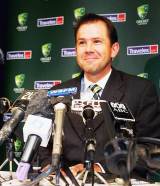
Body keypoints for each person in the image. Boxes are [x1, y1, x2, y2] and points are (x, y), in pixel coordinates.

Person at [41, 13, 160, 175]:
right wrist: (50, 166)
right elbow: (42, 145)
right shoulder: (56, 93)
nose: (88, 49)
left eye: (97, 42)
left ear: (114, 49)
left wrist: (100, 168)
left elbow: (151, 149)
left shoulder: (141, 90)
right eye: (82, 43)